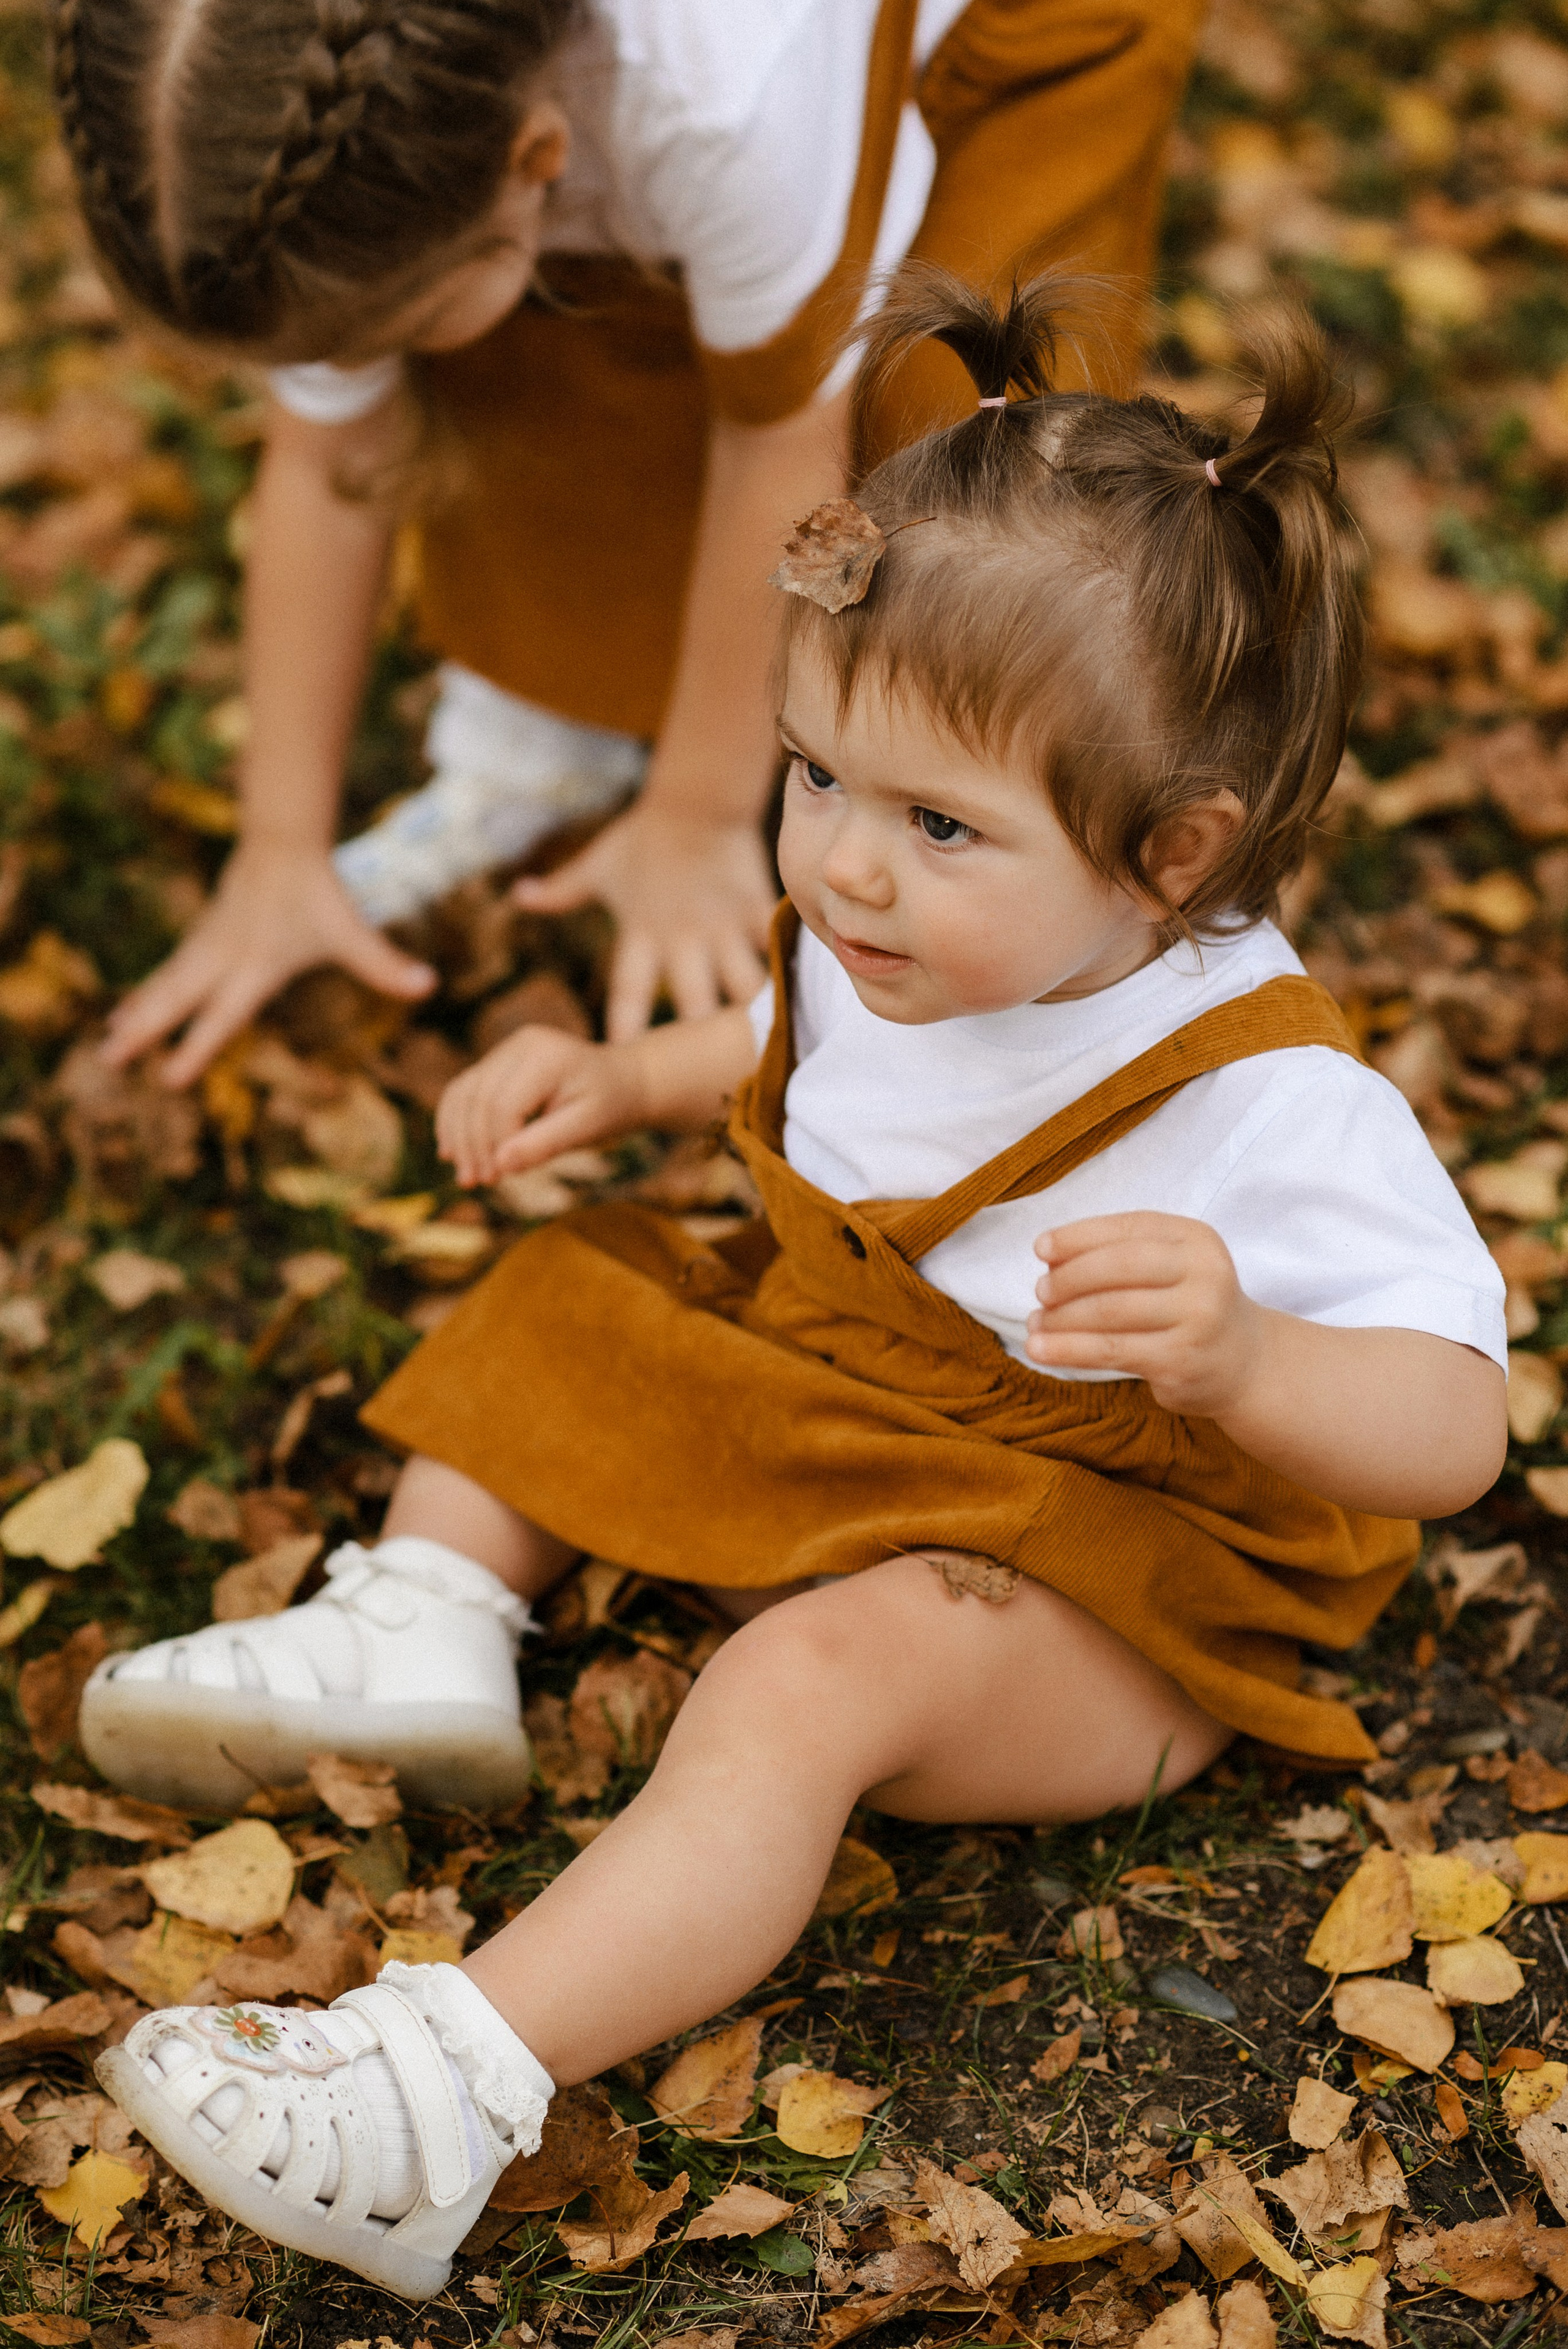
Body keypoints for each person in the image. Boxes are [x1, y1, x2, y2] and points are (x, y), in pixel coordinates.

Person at [91, 271, 1506, 2298]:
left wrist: (1254, 1352)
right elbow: (798, 1039)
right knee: (583, 1287)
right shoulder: (895, 933)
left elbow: (1457, 1430)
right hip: (849, 1399)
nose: (843, 863)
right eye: (816, 772)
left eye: (937, 820)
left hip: (1098, 1572)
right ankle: (420, 1620)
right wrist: (625, 1079)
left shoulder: (1269, 1098)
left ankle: (444, 2088)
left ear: (1174, 858)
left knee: (803, 1686)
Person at [51, 0, 1208, 1079]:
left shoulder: (724, 99)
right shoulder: (306, 137)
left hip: (1015, 41)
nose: (347, 373)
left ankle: (953, 814)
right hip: (660, 134)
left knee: (946, 446)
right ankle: (558, 731)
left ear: (537, 157)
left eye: (377, 339)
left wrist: (695, 816)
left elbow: (781, 448)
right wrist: (278, 849)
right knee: (529, 351)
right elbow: (329, 460)